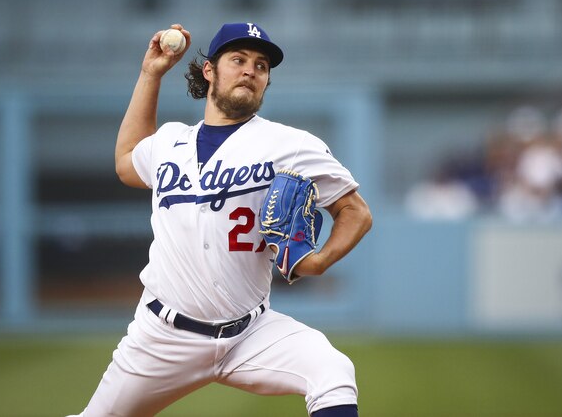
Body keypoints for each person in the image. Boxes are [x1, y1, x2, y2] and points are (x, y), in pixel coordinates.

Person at [72, 22, 372, 417]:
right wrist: (150, 74)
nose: (251, 70)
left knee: (332, 370)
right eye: (238, 59)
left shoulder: (291, 145)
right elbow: (128, 162)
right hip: (162, 336)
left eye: (262, 66)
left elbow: (355, 212)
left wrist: (318, 261)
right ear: (209, 71)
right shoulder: (169, 143)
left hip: (250, 332)